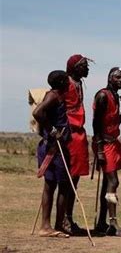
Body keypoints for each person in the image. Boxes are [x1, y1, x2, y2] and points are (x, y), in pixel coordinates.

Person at [33, 70, 71, 238]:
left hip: (57, 146)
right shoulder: (53, 96)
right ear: (62, 82)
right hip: (53, 148)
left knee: (58, 185)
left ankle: (55, 224)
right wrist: (52, 129)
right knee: (56, 185)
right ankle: (47, 225)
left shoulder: (58, 96)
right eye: (67, 80)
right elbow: (37, 113)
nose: (69, 82)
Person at [93, 67, 121, 237]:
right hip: (104, 144)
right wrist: (99, 149)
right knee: (113, 182)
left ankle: (102, 222)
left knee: (108, 184)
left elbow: (114, 123)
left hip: (112, 143)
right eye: (117, 77)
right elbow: (96, 124)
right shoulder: (102, 95)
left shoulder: (115, 96)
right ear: (109, 78)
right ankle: (113, 223)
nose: (120, 80)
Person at [63, 54, 91, 235]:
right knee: (66, 179)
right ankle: (62, 219)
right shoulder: (65, 83)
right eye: (84, 66)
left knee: (75, 179)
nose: (87, 69)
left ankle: (69, 217)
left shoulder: (79, 84)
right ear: (74, 67)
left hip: (79, 134)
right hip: (68, 134)